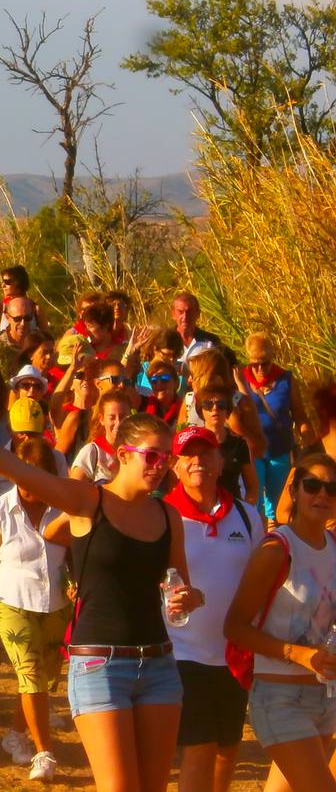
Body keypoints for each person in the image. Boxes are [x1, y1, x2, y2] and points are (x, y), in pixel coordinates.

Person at [0, 412, 204, 792]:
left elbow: (183, 587)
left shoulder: (167, 515)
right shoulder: (88, 500)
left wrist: (187, 599)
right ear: (123, 455)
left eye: (166, 457)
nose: (162, 467)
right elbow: (22, 473)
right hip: (99, 663)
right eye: (152, 456)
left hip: (158, 661)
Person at [224, 454, 336, 790]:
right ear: (294, 489)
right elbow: (234, 628)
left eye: (332, 488)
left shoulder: (333, 547)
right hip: (279, 697)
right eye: (312, 485)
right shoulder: (277, 549)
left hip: (326, 696)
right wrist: (298, 654)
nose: (322, 495)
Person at [163, 427, 261, 792]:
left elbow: (260, 580)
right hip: (182, 652)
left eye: (206, 454)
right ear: (175, 465)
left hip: (234, 654)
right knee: (199, 747)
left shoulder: (248, 516)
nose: (198, 462)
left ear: (221, 462)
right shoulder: (162, 513)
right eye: (188, 455)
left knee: (228, 748)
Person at [0, 436, 70, 783]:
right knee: (30, 674)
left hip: (56, 605)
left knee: (42, 679)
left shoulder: (65, 508)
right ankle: (44, 752)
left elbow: (75, 553)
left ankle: (14, 732)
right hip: (11, 603)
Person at [241, 332, 313, 522]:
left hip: (280, 451)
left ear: (272, 358)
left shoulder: (286, 380)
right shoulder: (240, 379)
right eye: (254, 363)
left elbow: (300, 416)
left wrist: (309, 448)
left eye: (265, 362)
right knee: (253, 504)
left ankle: (280, 543)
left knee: (281, 505)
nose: (259, 369)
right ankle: (256, 544)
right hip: (252, 454)